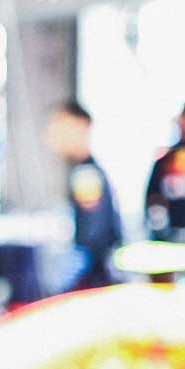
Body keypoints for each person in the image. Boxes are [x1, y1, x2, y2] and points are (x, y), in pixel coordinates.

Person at [45, 101, 122, 291]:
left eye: (60, 128)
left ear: (81, 126)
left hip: (93, 284)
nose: (52, 138)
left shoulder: (86, 175)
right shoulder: (83, 171)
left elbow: (94, 238)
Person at [145, 102, 185, 245]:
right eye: (184, 116)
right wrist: (159, 231)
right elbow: (153, 197)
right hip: (174, 235)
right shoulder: (164, 159)